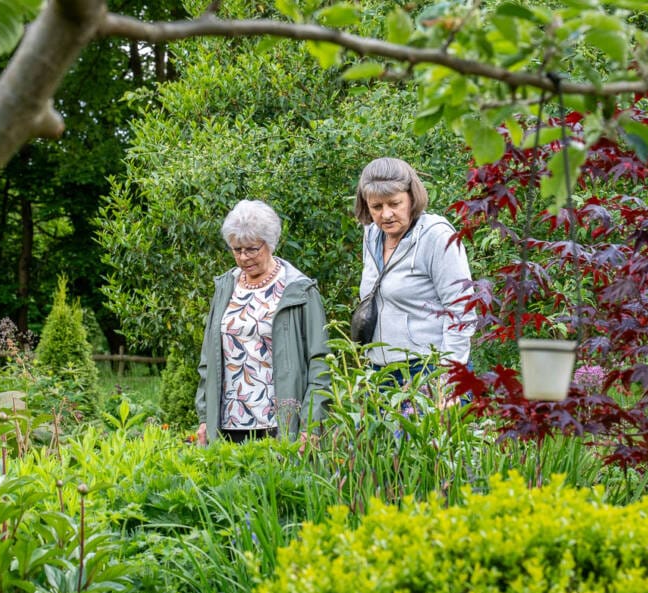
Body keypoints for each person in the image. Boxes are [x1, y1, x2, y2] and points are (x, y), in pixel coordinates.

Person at [196, 200, 330, 445]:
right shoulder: (226, 287)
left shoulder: (299, 290)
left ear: (270, 243)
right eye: (237, 250)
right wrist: (205, 417)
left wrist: (311, 424)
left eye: (251, 249)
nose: (244, 257)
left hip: (280, 424)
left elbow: (320, 361)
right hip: (227, 423)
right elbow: (209, 358)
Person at [353, 157, 474, 383]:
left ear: (411, 197)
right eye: (377, 207)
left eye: (394, 203)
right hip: (379, 370)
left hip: (427, 368)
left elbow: (461, 309)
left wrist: (448, 379)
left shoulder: (437, 236)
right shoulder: (371, 234)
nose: (386, 214)